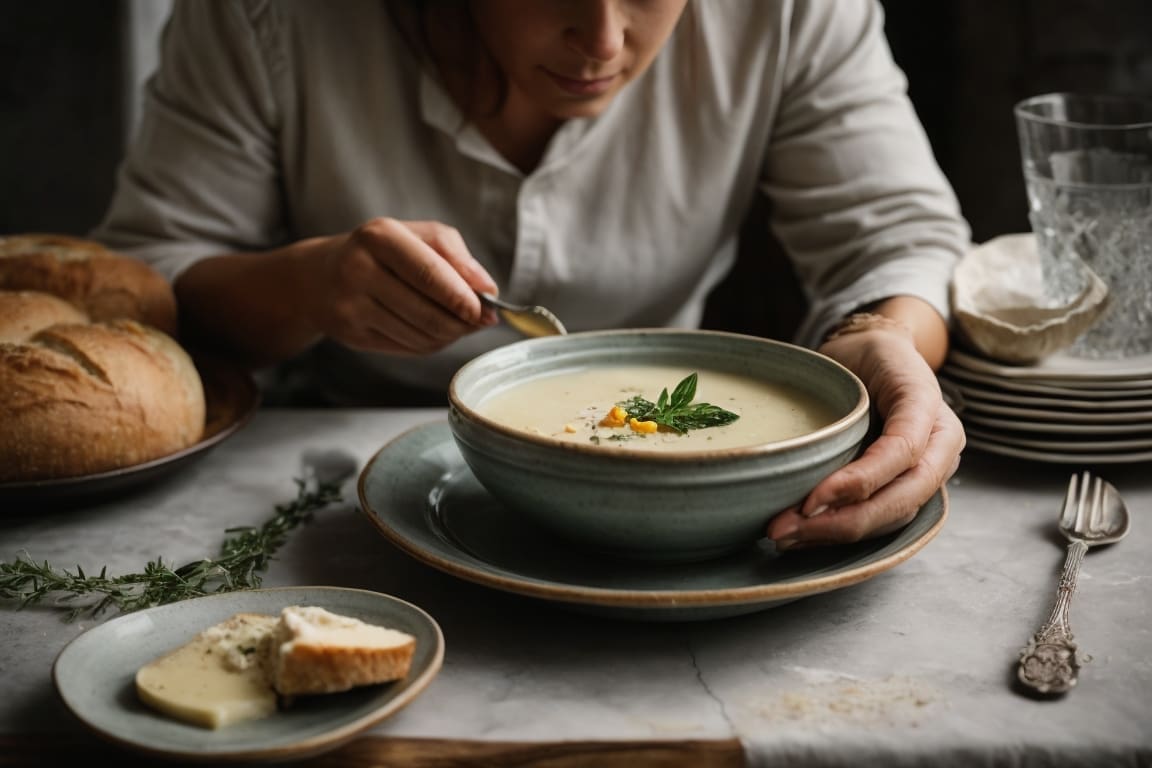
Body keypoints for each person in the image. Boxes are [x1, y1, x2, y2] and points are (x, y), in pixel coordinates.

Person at [91, 0, 968, 551]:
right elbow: (146, 284)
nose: (603, 37)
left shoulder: (795, 11)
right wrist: (308, 287)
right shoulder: (263, 17)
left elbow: (903, 236)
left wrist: (881, 337)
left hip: (693, 515)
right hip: (334, 501)